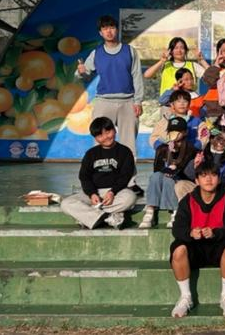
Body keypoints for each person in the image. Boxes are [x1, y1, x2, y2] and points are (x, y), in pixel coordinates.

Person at [169, 161, 225, 318]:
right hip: (195, 248)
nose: (209, 179)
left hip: (218, 246)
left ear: (219, 179)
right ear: (196, 180)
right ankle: (185, 297)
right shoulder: (188, 200)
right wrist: (190, 233)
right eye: (203, 175)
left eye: (213, 175)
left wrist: (216, 233)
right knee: (178, 249)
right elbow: (177, 228)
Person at [77, 15, 143, 159]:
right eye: (105, 28)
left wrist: (138, 101)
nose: (109, 31)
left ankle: (129, 174)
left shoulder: (130, 51)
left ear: (117, 29)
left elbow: (137, 76)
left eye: (112, 27)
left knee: (129, 145)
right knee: (100, 142)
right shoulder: (96, 53)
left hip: (128, 102)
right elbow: (83, 74)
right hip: (104, 102)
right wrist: (81, 72)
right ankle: (100, 173)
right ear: (100, 33)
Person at [60, 117, 137, 229]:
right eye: (100, 135)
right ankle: (108, 216)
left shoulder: (125, 152)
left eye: (108, 132)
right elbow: (84, 177)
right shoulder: (91, 153)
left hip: (116, 193)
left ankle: (90, 215)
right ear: (95, 138)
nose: (105, 137)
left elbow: (125, 176)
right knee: (66, 204)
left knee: (130, 197)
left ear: (114, 130)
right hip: (94, 194)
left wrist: (112, 192)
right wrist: (92, 194)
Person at [140, 117, 199, 229]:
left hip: (180, 180)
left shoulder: (191, 149)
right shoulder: (162, 148)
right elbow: (157, 168)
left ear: (185, 132)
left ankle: (175, 211)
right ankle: (150, 209)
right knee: (156, 176)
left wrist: (176, 165)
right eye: (171, 131)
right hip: (165, 177)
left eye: (178, 131)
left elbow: (187, 173)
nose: (174, 134)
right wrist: (168, 159)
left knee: (170, 178)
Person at [144, 37, 209, 95]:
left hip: (189, 102)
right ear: (171, 51)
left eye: (182, 48)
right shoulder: (165, 65)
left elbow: (212, 76)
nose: (179, 51)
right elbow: (147, 75)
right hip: (168, 103)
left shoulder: (193, 65)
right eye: (176, 48)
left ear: (186, 50)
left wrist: (202, 60)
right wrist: (161, 61)